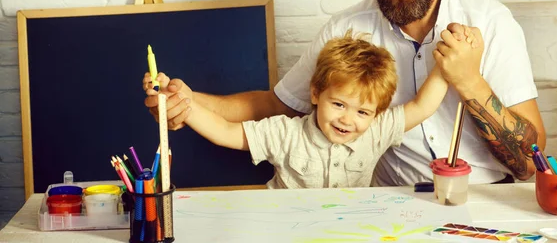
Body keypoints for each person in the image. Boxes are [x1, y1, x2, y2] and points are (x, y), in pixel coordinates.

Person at [143, 0, 546, 185]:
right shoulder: (346, 31)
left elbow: (530, 165)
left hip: (484, 198)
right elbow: (278, 107)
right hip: (388, 203)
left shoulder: (490, 21)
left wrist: (469, 81)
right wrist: (189, 102)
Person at [153, 29, 481, 189]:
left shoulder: (377, 129)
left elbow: (422, 106)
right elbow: (226, 131)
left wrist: (446, 65)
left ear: (375, 113)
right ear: (315, 94)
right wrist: (186, 103)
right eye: (338, 104)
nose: (347, 119)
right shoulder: (285, 132)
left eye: (362, 112)